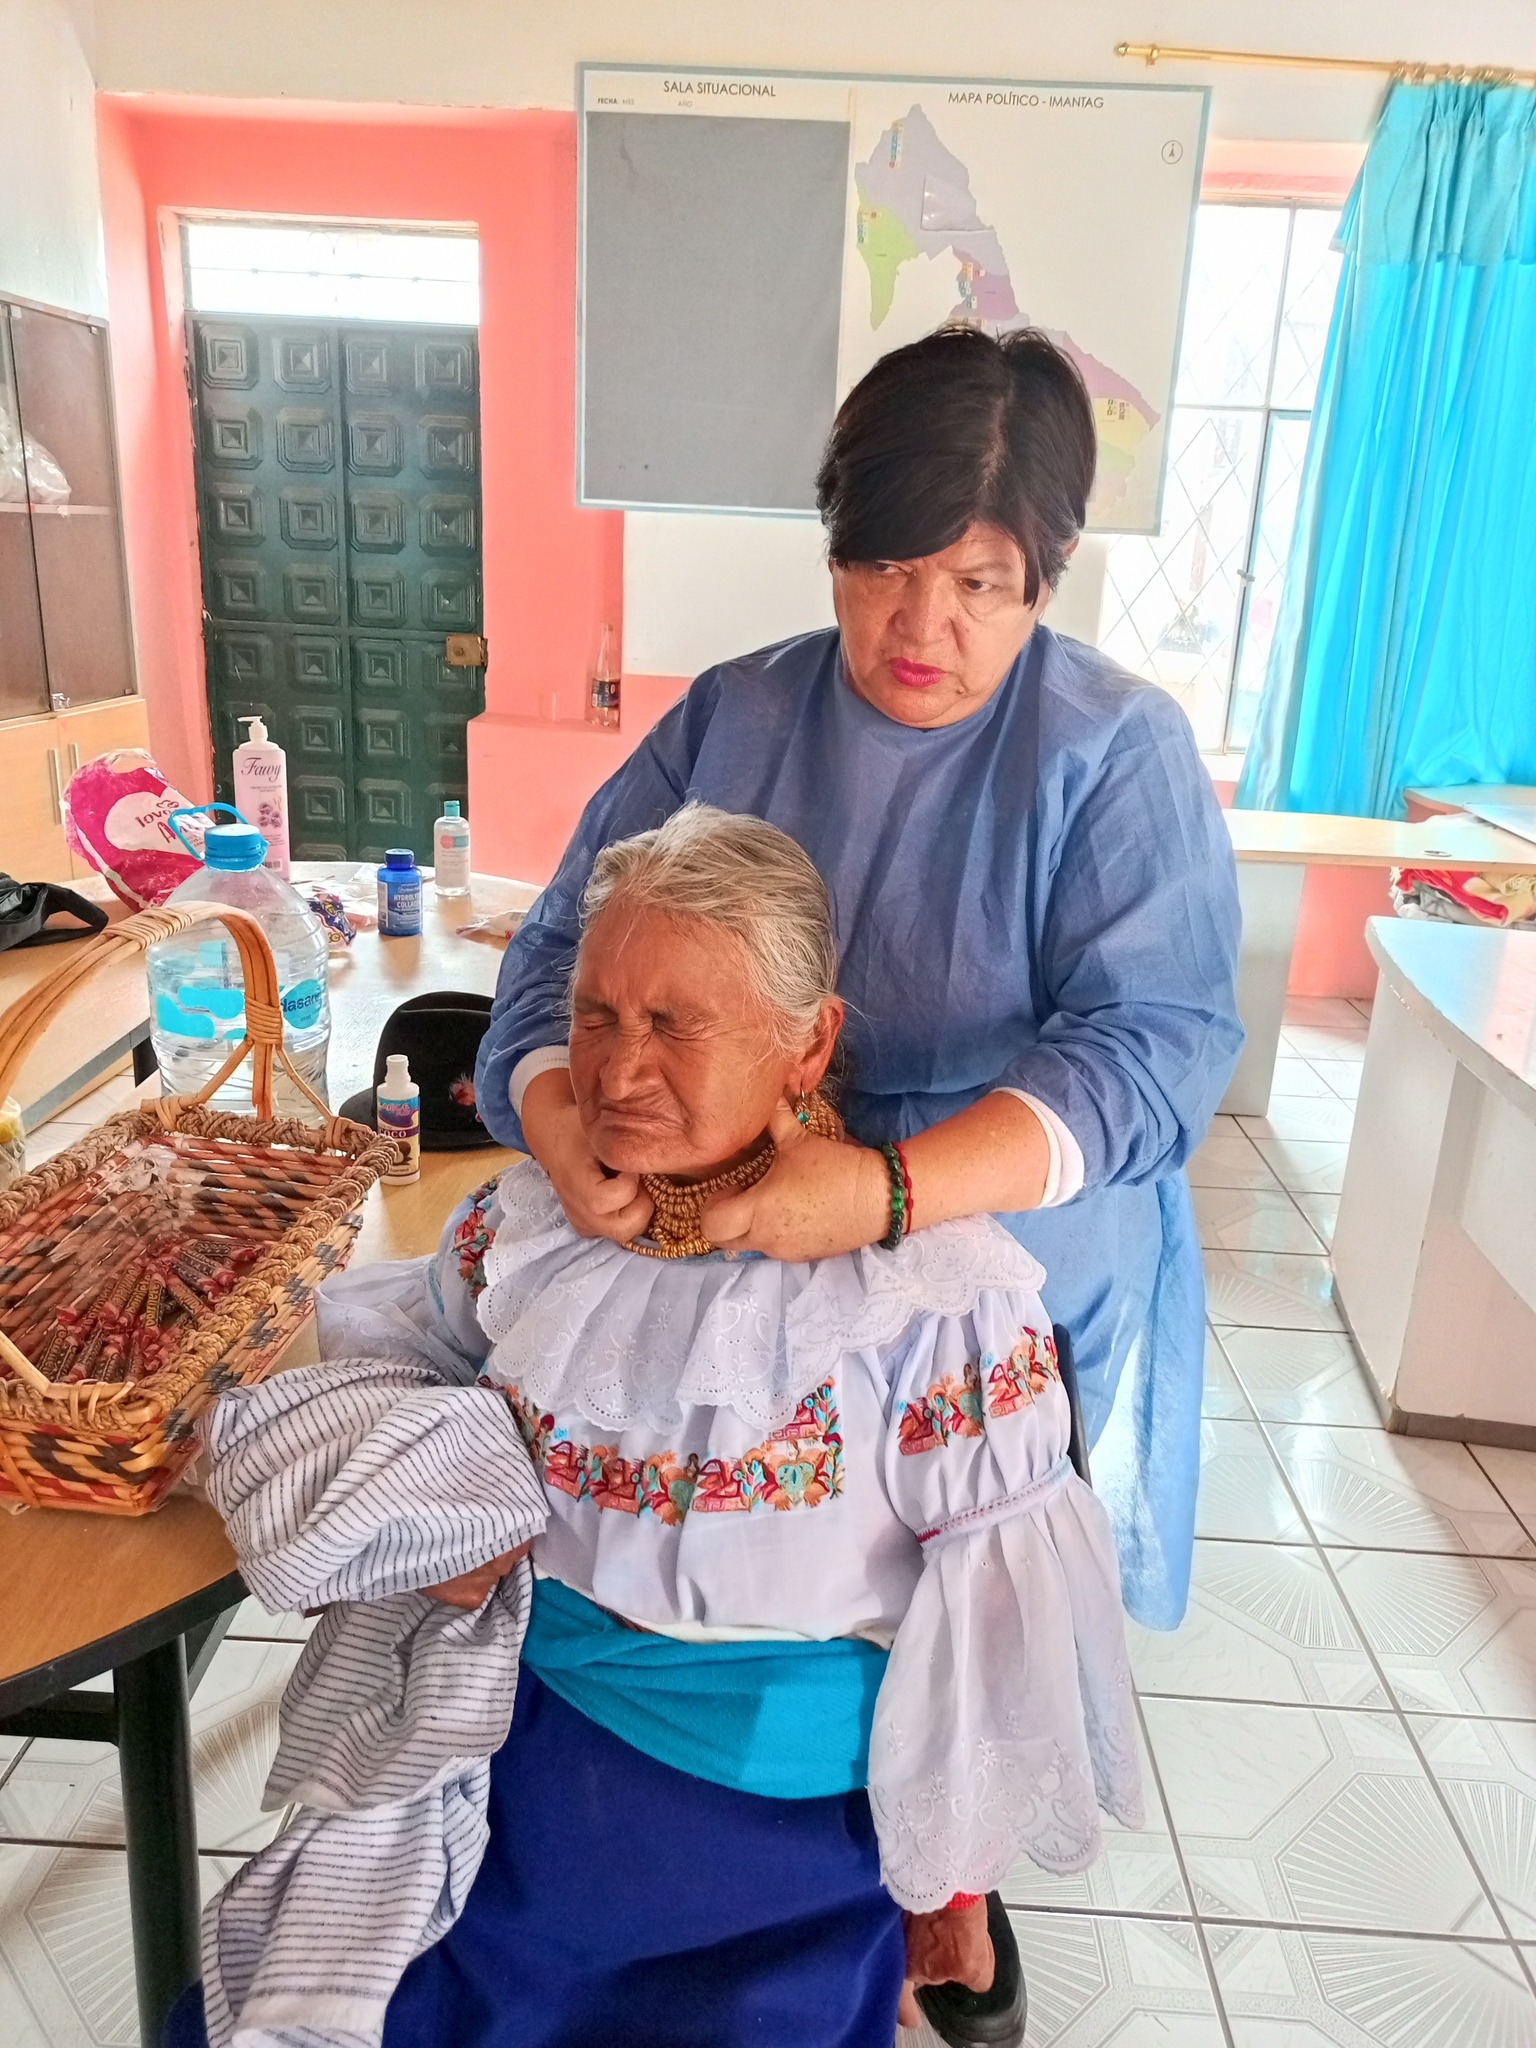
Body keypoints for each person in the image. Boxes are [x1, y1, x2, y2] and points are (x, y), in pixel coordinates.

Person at [239, 804, 1137, 2048]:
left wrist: (951, 1885)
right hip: (515, 1766)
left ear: (809, 1045)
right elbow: (403, 1359)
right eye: (596, 1014)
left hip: (781, 1845)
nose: (616, 1069)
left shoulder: (937, 1302)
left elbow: (991, 1631)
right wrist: (433, 1510)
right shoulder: (529, 1227)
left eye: (674, 1023)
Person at [478, 325, 1244, 1638]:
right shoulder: (736, 717)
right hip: (733, 1238)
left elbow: (1151, 1049)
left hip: (1003, 1254)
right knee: (739, 1590)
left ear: (1049, 576)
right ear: (833, 548)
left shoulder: (1115, 752)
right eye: (884, 567)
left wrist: (886, 1192)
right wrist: (555, 1119)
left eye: (979, 584)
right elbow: (565, 946)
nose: (921, 626)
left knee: (962, 1614)